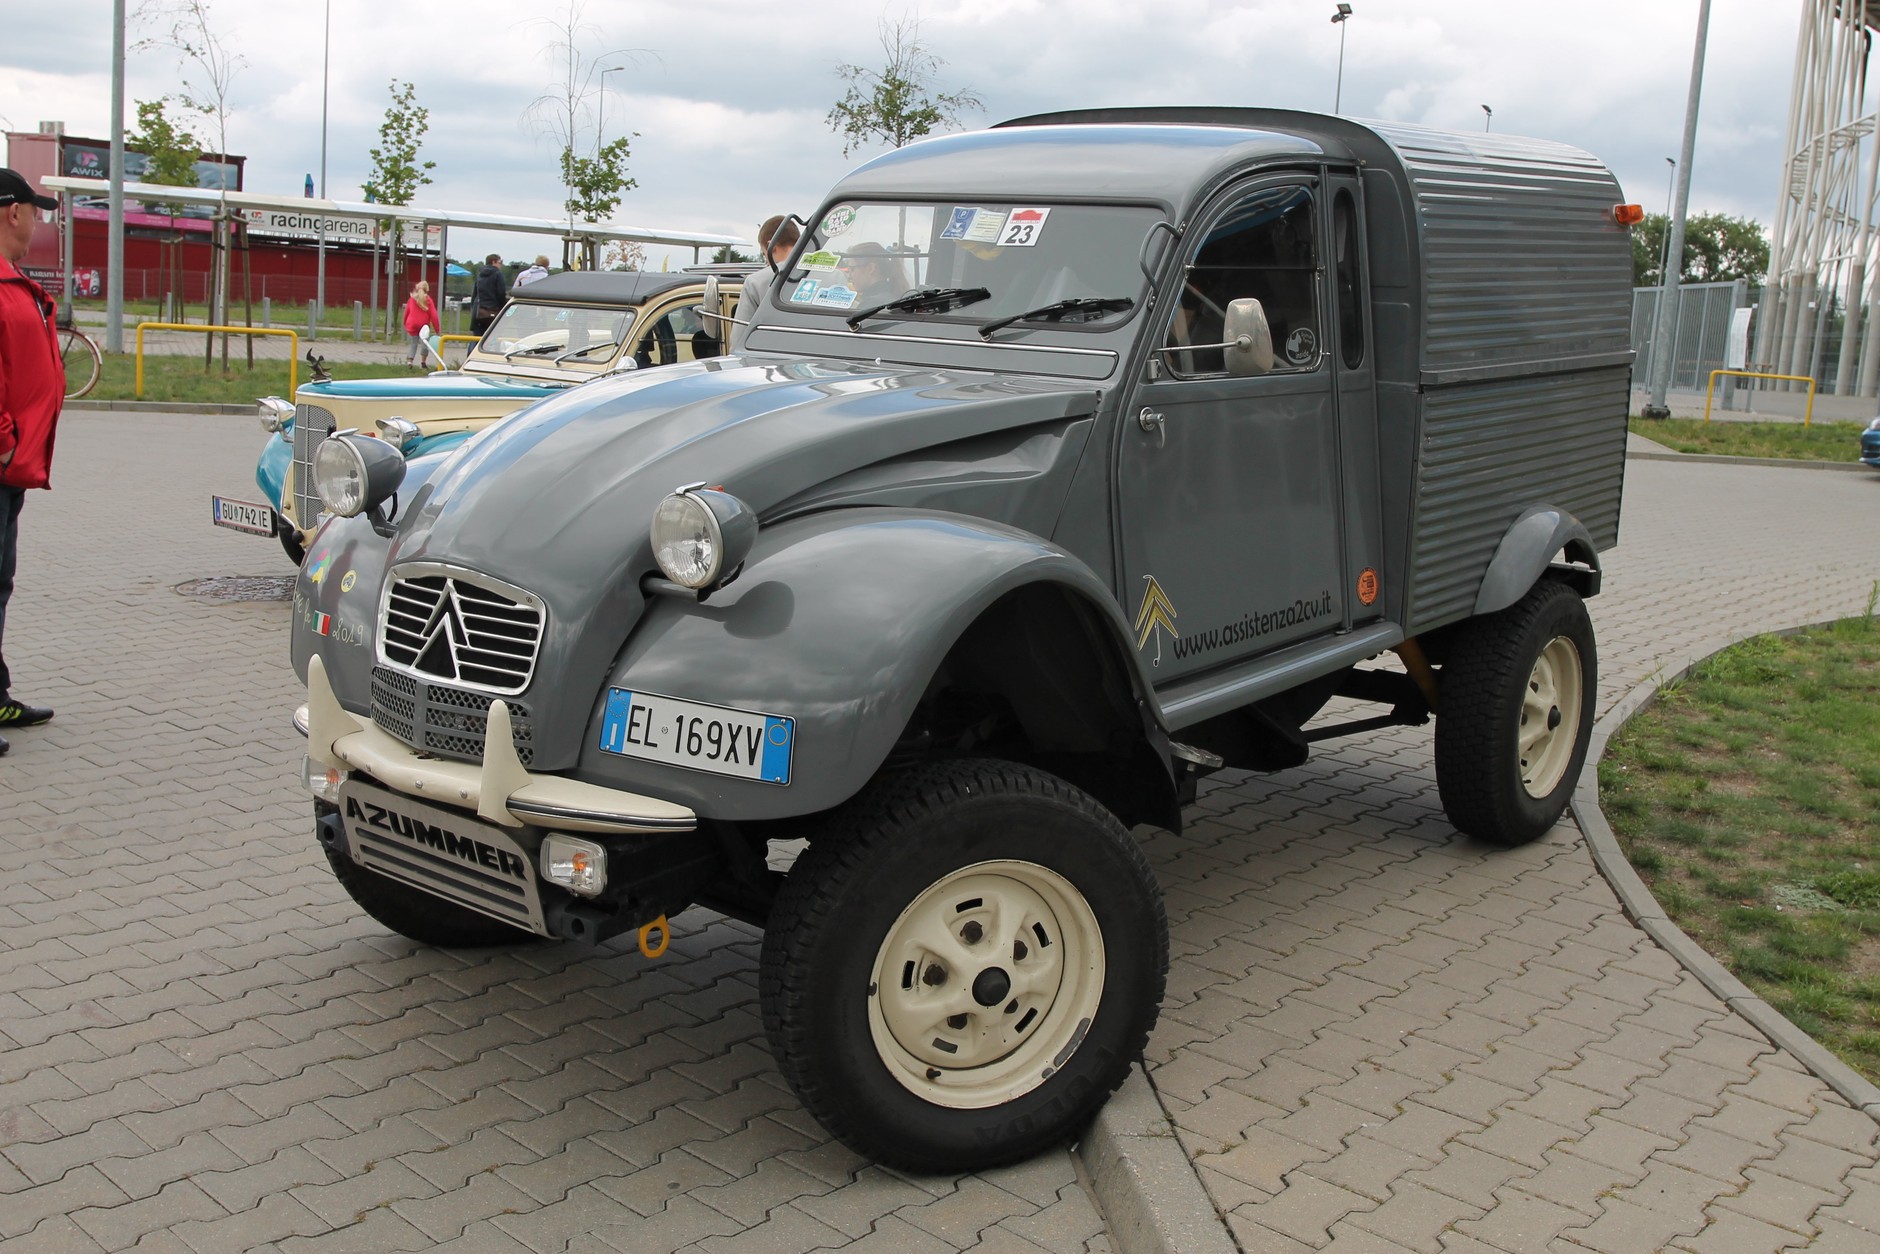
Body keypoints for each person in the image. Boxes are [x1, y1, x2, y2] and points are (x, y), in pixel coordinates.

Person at [0, 169, 63, 758]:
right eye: (34, 209)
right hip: (1, 463)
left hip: (11, 470)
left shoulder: (13, 280)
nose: (37, 220)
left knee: (0, 582)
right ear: (12, 212)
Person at [730, 215, 800, 354]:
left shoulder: (755, 282)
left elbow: (739, 342)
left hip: (774, 367)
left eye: (763, 254)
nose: (766, 262)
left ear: (770, 246)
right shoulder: (834, 276)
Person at [401, 279, 441, 368]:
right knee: (424, 344)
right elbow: (434, 316)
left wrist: (405, 323)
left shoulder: (411, 299)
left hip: (412, 324)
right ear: (427, 290)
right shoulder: (428, 300)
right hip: (424, 326)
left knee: (413, 344)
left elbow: (406, 312)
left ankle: (409, 361)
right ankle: (423, 362)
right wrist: (437, 330)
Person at [470, 254, 508, 336]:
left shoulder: (480, 274)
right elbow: (501, 293)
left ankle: (472, 349)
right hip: (493, 311)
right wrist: (503, 306)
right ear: (493, 262)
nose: (501, 264)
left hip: (479, 312)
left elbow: (475, 294)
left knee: (477, 339)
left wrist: (474, 307)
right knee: (493, 337)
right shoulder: (498, 274)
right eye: (500, 262)